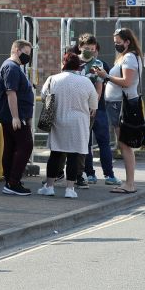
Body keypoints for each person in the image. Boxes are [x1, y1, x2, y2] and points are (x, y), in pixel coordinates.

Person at [37, 49, 98, 198]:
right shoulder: (86, 82)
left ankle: (49, 186)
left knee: (56, 154)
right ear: (79, 66)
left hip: (58, 120)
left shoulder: (53, 79)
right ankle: (70, 189)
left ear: (64, 63)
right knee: (74, 155)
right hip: (79, 123)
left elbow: (44, 96)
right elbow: (93, 106)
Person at [91, 28, 143, 194]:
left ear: (127, 42)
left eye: (119, 42)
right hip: (117, 104)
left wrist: (106, 76)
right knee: (124, 144)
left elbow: (127, 82)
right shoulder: (127, 56)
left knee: (125, 144)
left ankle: (129, 184)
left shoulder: (129, 58)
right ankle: (129, 183)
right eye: (115, 43)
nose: (116, 45)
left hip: (121, 105)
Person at [77, 34, 120, 186]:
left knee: (103, 142)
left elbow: (99, 87)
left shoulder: (97, 64)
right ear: (80, 47)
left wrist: (93, 106)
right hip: (80, 108)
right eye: (86, 48)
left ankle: (109, 174)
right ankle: (90, 174)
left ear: (96, 50)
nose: (89, 51)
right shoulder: (74, 63)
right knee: (85, 143)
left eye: (92, 49)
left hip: (98, 109)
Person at [0, 39, 35, 196]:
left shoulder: (14, 67)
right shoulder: (11, 67)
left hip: (17, 115)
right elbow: (11, 93)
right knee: (25, 146)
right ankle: (13, 182)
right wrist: (15, 117)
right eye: (26, 53)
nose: (28, 57)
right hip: (14, 116)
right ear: (17, 50)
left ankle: (11, 181)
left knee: (13, 147)